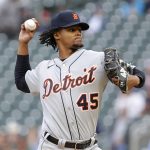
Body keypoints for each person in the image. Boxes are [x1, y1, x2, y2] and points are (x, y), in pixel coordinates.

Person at [15, 10, 145, 150]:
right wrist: (23, 43)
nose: (78, 33)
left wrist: (131, 80)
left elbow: (139, 74)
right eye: (72, 29)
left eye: (79, 29)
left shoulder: (100, 59)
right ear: (57, 34)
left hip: (89, 146)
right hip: (51, 146)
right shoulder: (44, 69)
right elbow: (22, 82)